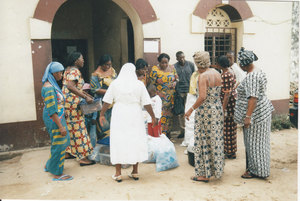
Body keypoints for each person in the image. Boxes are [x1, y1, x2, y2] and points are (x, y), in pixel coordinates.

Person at [99, 63, 157, 182]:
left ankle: (118, 173)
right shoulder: (139, 84)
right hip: (135, 114)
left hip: (119, 113)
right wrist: (153, 116)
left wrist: (101, 114)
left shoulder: (115, 84)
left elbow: (107, 101)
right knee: (135, 139)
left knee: (118, 140)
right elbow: (147, 103)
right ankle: (135, 172)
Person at [234, 47, 274, 179]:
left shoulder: (252, 76)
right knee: (261, 143)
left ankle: (256, 171)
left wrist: (248, 117)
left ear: (245, 64)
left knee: (254, 144)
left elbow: (253, 98)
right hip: (263, 112)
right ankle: (260, 169)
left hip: (256, 116)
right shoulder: (257, 71)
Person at [185, 51, 224, 183]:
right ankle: (217, 169)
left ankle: (204, 174)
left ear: (197, 63)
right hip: (217, 110)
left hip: (206, 112)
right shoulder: (217, 73)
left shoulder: (203, 76)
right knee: (215, 139)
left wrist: (190, 109)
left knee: (203, 140)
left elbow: (202, 97)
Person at [62, 51, 95, 166]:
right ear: (76, 60)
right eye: (82, 58)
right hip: (73, 106)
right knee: (79, 130)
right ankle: (83, 158)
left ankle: (69, 152)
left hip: (67, 104)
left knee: (70, 129)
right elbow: (70, 86)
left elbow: (73, 87)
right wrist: (85, 96)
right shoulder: (75, 71)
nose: (83, 60)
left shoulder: (68, 70)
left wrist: (86, 95)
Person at [42, 62, 72, 181]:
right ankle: (57, 173)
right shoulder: (49, 88)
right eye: (59, 72)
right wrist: (61, 126)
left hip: (58, 117)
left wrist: (63, 111)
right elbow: (51, 110)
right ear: (53, 73)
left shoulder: (52, 84)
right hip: (54, 119)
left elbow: (57, 104)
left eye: (62, 71)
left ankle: (49, 165)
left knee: (59, 143)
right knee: (59, 144)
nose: (61, 74)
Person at [149, 53, 178, 137]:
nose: (164, 65)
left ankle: (167, 133)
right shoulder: (155, 70)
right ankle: (160, 133)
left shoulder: (172, 68)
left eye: (166, 62)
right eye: (162, 63)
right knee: (160, 115)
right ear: (159, 62)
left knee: (169, 116)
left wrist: (175, 83)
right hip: (160, 98)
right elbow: (151, 84)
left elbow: (177, 78)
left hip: (171, 97)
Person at [90, 54, 117, 142]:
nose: (108, 67)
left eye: (110, 64)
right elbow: (94, 89)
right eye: (106, 64)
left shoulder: (112, 71)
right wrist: (109, 92)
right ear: (101, 64)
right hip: (101, 103)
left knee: (113, 123)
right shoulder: (95, 75)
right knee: (103, 125)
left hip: (113, 103)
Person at [218, 55, 238, 159]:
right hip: (233, 102)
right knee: (232, 128)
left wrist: (223, 108)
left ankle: (229, 151)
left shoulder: (226, 75)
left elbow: (226, 94)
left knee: (227, 128)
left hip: (228, 104)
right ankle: (232, 150)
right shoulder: (231, 71)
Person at [174, 51, 195, 138]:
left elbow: (194, 76)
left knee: (189, 110)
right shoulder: (174, 67)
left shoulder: (190, 64)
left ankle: (190, 131)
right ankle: (183, 130)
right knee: (181, 113)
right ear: (177, 58)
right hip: (179, 92)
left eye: (183, 57)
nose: (182, 59)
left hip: (189, 91)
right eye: (180, 58)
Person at [180, 69, 200, 150]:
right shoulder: (195, 74)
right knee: (190, 121)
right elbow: (193, 89)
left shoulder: (205, 74)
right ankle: (189, 141)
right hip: (193, 97)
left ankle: (194, 141)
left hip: (198, 97)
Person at [81, 83, 98, 148]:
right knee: (84, 134)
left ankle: (92, 149)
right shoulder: (81, 99)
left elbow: (95, 108)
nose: (86, 92)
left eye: (87, 90)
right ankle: (85, 149)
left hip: (92, 118)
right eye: (84, 90)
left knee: (93, 135)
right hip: (84, 118)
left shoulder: (92, 98)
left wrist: (94, 118)